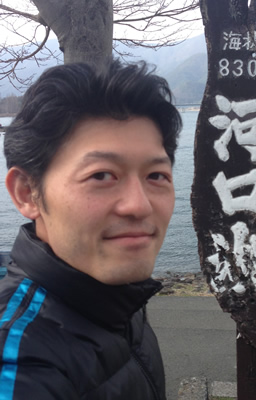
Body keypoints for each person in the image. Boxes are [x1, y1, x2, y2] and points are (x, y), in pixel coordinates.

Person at [0, 59, 181, 399]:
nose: (139, 205)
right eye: (101, 175)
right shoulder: (19, 365)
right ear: (26, 193)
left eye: (156, 175)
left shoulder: (116, 296)